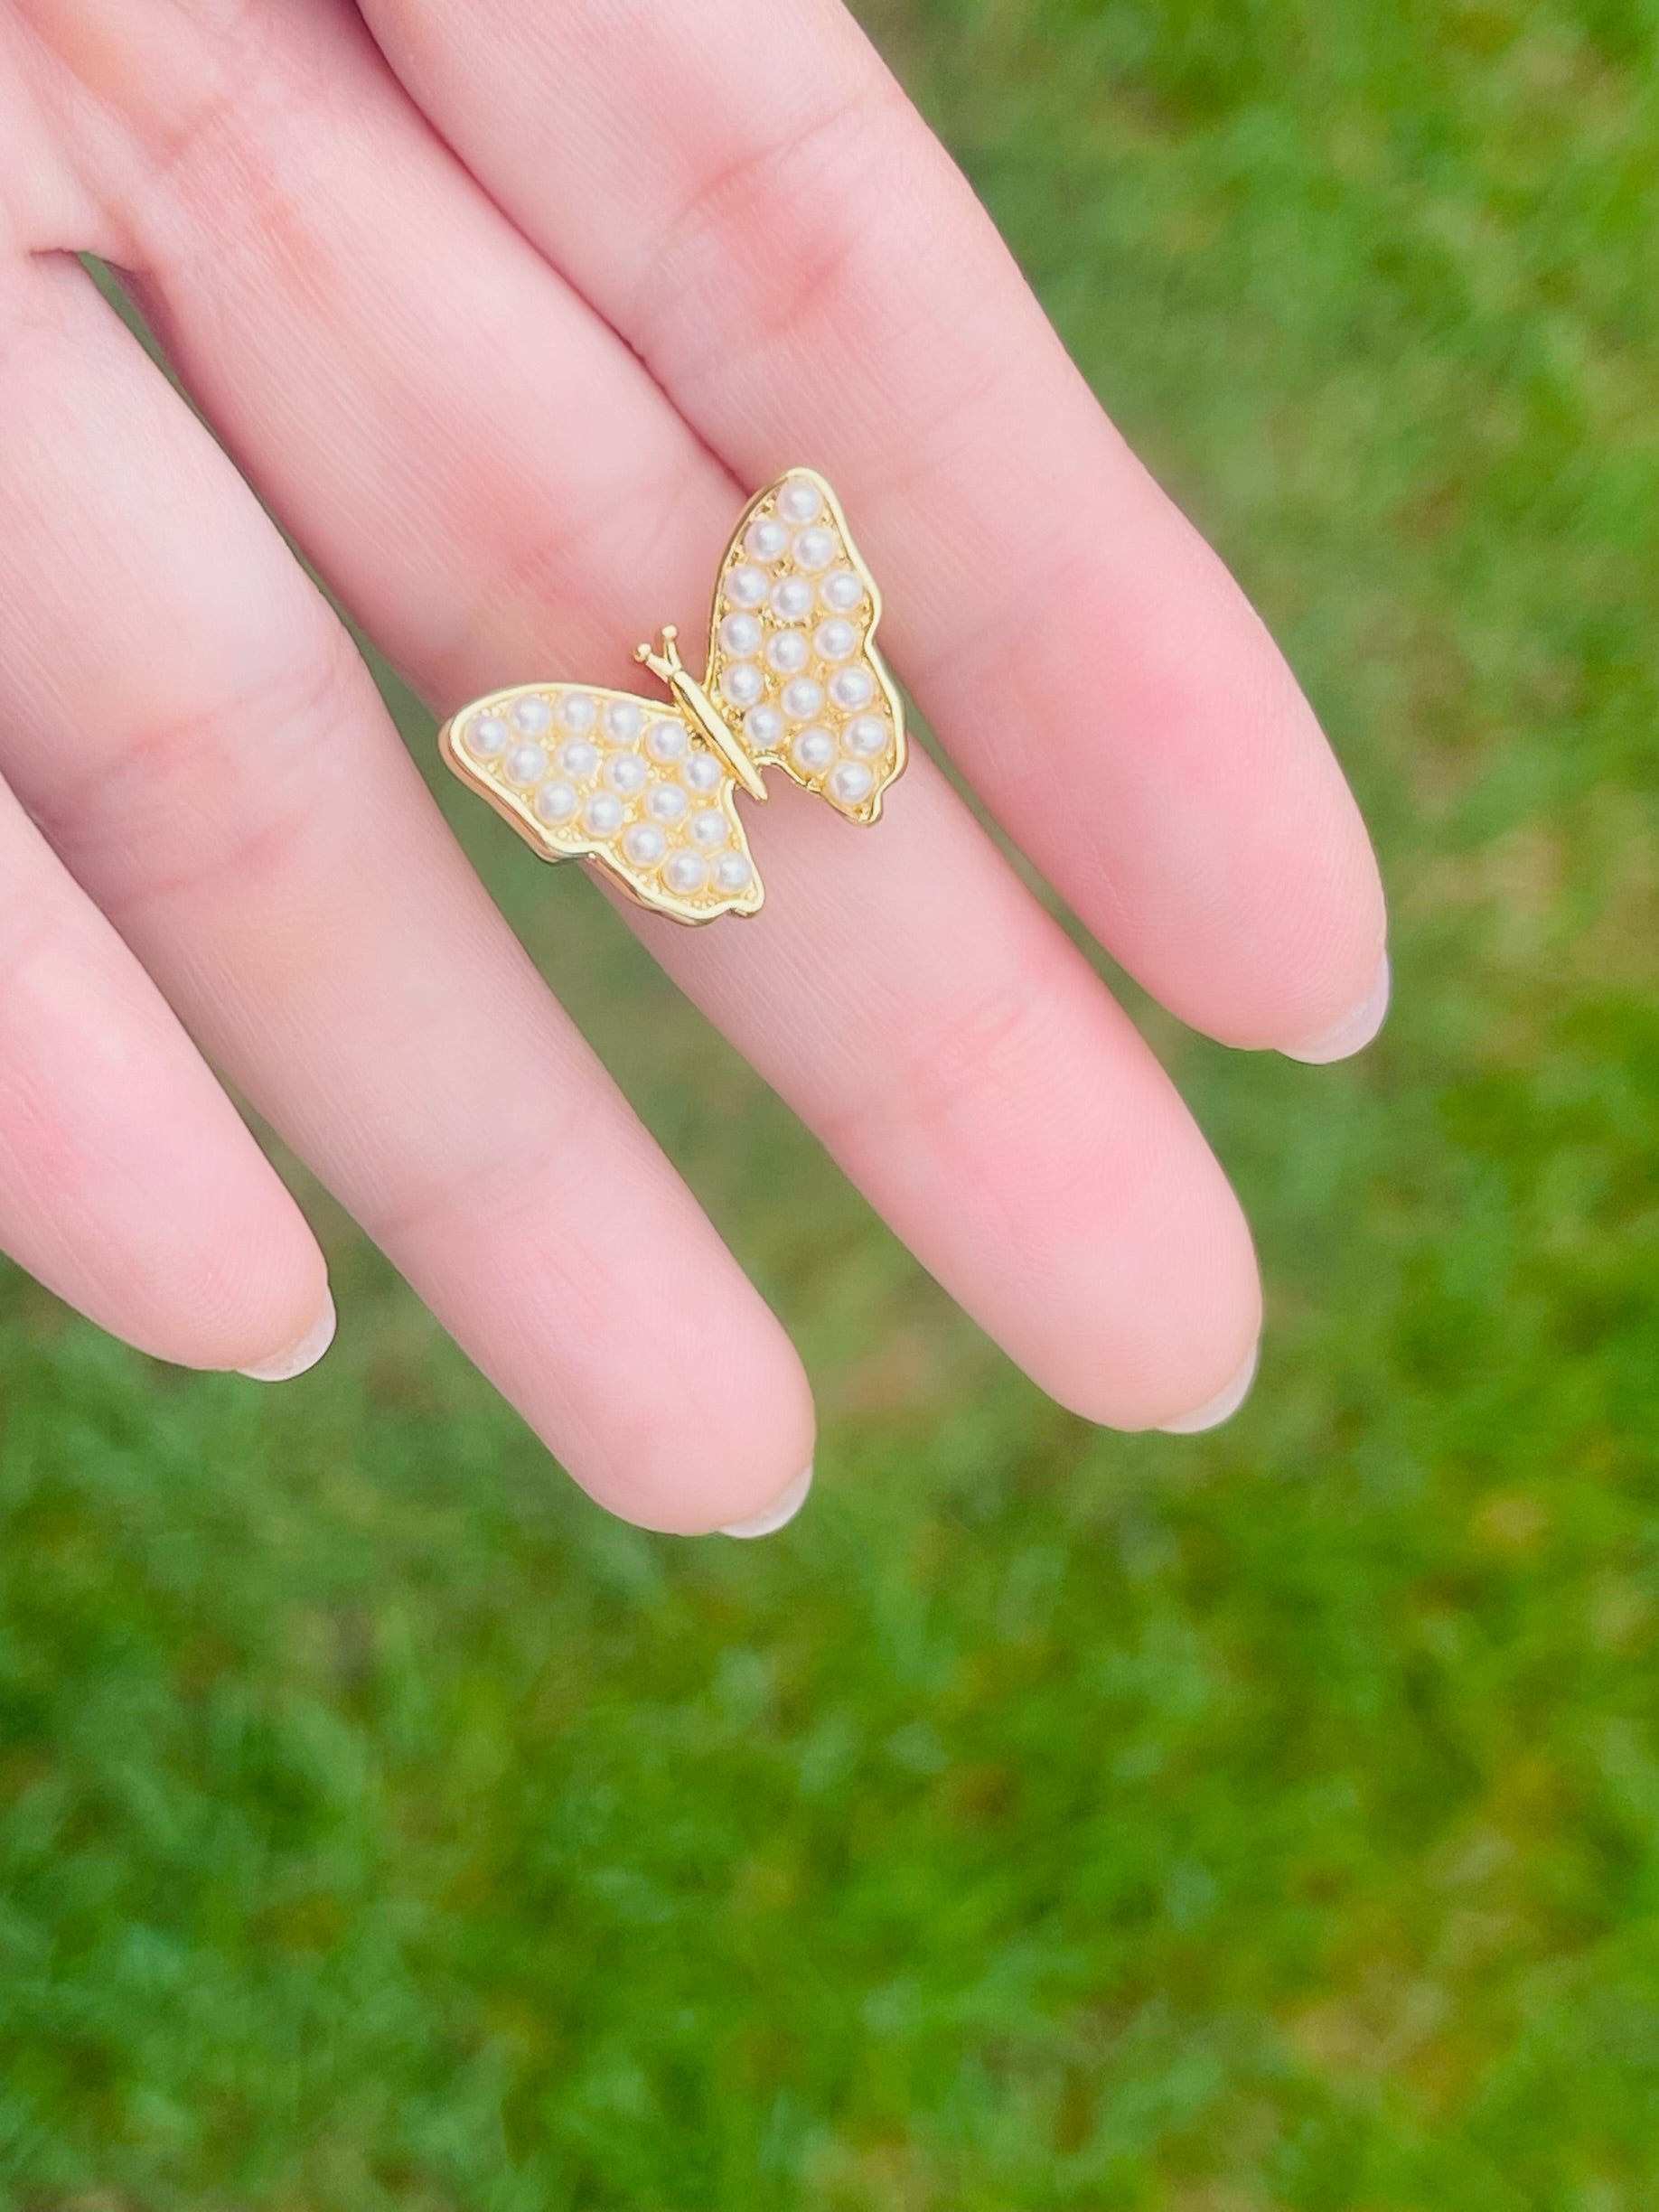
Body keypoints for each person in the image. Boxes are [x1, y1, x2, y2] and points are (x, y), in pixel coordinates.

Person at [0, 0, 1386, 1536]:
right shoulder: (747, 601)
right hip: (750, 719)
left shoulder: (618, 709)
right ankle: (820, 767)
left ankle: (788, 784)